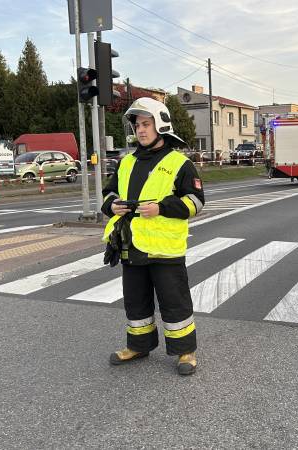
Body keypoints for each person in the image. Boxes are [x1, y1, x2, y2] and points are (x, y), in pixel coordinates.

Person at [101, 97, 205, 376]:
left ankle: (186, 351)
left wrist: (162, 207)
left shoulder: (179, 163)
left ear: (161, 125)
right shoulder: (126, 162)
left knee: (175, 301)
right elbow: (108, 194)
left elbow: (196, 201)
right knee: (135, 301)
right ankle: (139, 346)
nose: (141, 131)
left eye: (146, 124)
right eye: (137, 125)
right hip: (131, 246)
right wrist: (112, 205)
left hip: (165, 249)